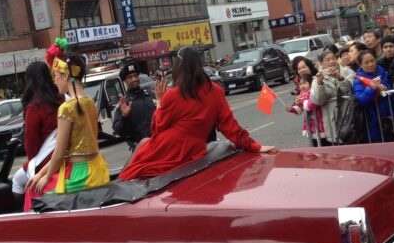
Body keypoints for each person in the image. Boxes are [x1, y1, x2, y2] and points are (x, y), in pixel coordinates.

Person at [119, 47, 278, 181]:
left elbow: (157, 129)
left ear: (178, 68)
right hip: (196, 148)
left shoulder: (172, 94)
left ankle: (115, 189)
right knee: (142, 146)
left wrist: (160, 104)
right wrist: (256, 147)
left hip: (169, 149)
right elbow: (230, 127)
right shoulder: (215, 90)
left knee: (137, 159)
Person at [27, 52, 110, 197]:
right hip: (98, 168)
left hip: (81, 175)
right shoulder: (89, 101)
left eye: (55, 75)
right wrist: (40, 174)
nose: (54, 81)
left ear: (66, 75)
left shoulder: (67, 108)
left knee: (33, 192)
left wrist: (44, 177)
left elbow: (59, 154)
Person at [11, 60, 63, 210]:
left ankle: (23, 212)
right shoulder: (62, 98)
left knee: (17, 180)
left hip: (45, 158)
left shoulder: (34, 106)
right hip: (65, 151)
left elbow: (30, 141)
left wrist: (33, 163)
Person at [352, 50, 394, 143]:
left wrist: (386, 88)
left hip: (389, 117)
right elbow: (361, 100)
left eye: (372, 61)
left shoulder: (383, 73)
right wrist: (371, 88)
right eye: (366, 62)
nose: (370, 64)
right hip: (371, 120)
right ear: (360, 65)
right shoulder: (358, 80)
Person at [310, 48, 354, 145]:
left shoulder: (347, 72)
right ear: (321, 63)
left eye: (333, 58)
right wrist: (319, 83)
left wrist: (340, 77)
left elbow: (350, 90)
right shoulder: (317, 79)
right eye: (327, 59)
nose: (331, 62)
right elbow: (317, 100)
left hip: (350, 117)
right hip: (332, 123)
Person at [112, 62, 156, 150]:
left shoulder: (151, 96)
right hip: (141, 148)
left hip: (158, 144)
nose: (134, 79)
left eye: (136, 75)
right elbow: (119, 131)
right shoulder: (124, 103)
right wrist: (125, 116)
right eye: (130, 77)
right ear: (124, 81)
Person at [286, 73, 325, 145]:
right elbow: (300, 109)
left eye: (304, 83)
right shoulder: (301, 94)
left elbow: (311, 105)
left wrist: (303, 102)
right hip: (310, 124)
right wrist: (291, 109)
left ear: (310, 83)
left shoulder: (313, 92)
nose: (302, 86)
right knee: (314, 144)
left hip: (319, 122)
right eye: (300, 84)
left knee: (322, 143)